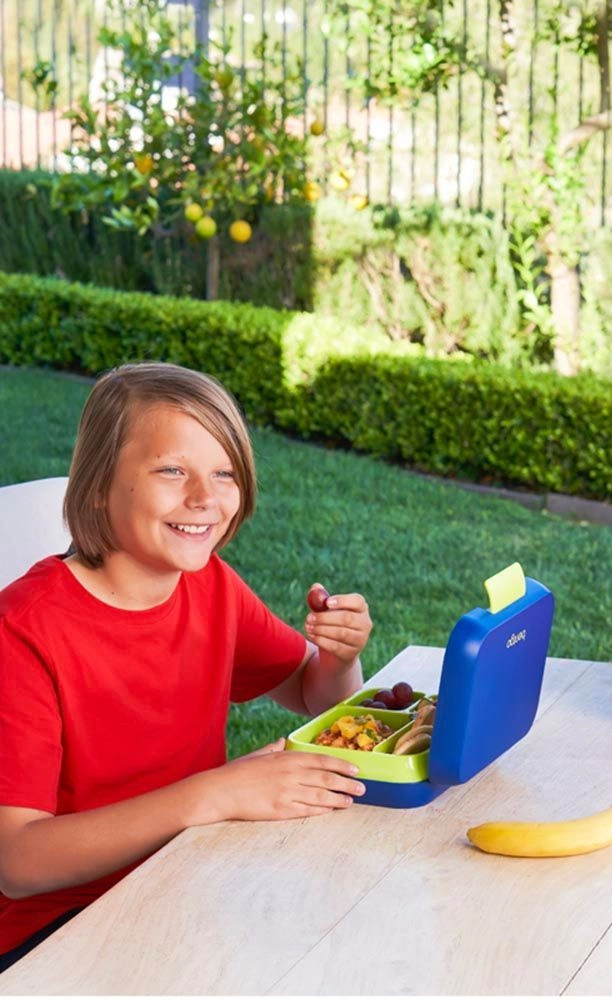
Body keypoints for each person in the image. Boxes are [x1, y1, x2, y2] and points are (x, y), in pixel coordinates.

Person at [0, 362, 373, 971]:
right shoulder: (22, 632)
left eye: (224, 473)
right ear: (97, 485)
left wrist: (339, 657)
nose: (205, 497)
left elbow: (315, 697)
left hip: (186, 879)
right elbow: (17, 862)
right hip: (53, 935)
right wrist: (213, 794)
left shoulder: (210, 586)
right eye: (172, 470)